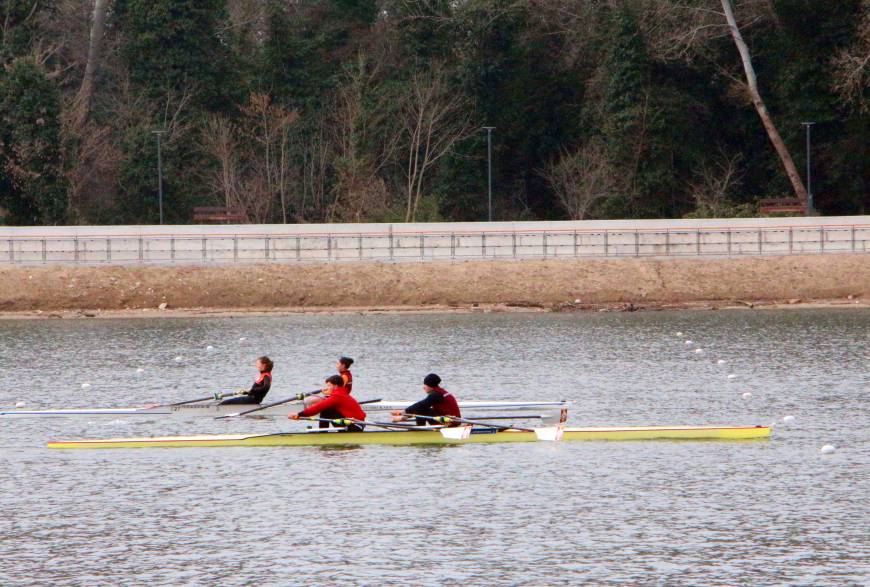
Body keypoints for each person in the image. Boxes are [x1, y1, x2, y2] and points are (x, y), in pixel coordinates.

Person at [289, 374, 366, 432]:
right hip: (356, 424)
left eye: (329, 386)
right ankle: (323, 432)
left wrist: (299, 414)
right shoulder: (341, 393)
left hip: (355, 426)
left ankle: (322, 434)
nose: (327, 388)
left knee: (325, 409)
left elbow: (318, 407)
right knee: (327, 409)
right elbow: (324, 402)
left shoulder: (337, 396)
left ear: (335, 386)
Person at [391, 373, 461, 426]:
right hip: (450, 420)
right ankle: (420, 430)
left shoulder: (435, 395)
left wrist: (402, 413)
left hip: (449, 423)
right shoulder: (441, 392)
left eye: (425, 384)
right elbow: (423, 406)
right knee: (422, 408)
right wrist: (405, 416)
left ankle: (420, 432)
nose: (423, 387)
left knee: (420, 408)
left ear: (430, 385)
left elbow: (421, 405)